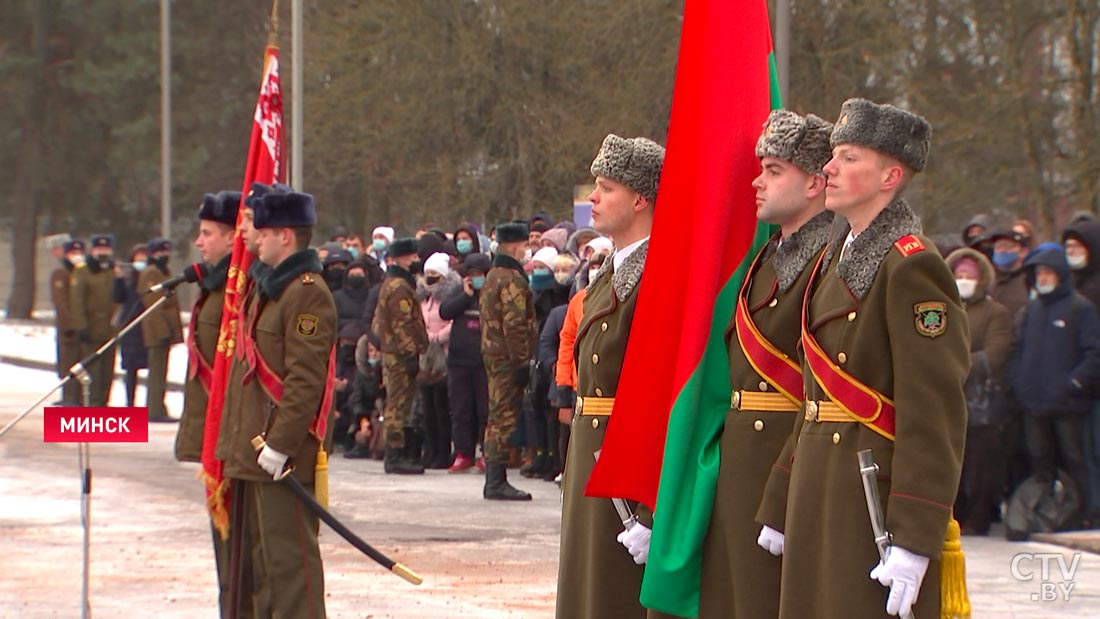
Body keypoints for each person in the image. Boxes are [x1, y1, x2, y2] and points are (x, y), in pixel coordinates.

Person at [755, 99, 970, 619]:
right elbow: (812, 397)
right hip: (819, 482)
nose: (829, 168)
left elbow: (933, 411)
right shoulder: (834, 256)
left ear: (889, 175)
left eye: (848, 158)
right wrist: (782, 494)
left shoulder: (912, 267)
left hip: (869, 491)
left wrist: (916, 535)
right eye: (833, 157)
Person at [695, 110, 834, 617]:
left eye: (775, 170)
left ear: (816, 182)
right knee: (733, 596)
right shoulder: (769, 255)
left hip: (786, 456)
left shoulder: (831, 262)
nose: (758, 180)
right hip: (740, 455)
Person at [557, 134, 672, 619]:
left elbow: (665, 397)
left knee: (612, 598)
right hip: (594, 454)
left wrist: (651, 508)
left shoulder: (658, 275)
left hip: (625, 465)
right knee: (587, 594)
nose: (593, 200)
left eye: (606, 188)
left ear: (641, 198)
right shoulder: (612, 272)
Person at [217, 188, 336, 619]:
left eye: (262, 231)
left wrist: (281, 444)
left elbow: (306, 379)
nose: (253, 239)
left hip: (281, 455)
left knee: (291, 569)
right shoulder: (269, 288)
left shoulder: (306, 292)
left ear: (286, 235)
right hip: (254, 450)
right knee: (263, 570)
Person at [172, 190, 251, 617]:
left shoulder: (233, 293)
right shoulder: (215, 287)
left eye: (207, 234)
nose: (199, 243)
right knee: (226, 550)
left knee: (238, 552)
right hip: (214, 432)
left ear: (229, 236)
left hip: (229, 435)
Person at [1009, 247, 1100, 529]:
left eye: (1047, 272)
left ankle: (1088, 511)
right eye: (1038, 273)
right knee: (1040, 462)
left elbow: (1093, 353)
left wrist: (1074, 383)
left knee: (1076, 460)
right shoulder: (1031, 310)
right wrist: (1019, 382)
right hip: (1034, 405)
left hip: (1068, 404)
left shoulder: (1080, 308)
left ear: (1060, 274)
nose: (1043, 277)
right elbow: (1019, 350)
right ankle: (1044, 513)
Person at [945, 249, 1012, 536]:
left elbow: (994, 355)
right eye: (959, 275)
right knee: (952, 463)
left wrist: (953, 364)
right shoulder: (943, 307)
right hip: (947, 399)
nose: (963, 280)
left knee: (981, 464)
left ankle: (980, 515)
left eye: (969, 276)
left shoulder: (996, 313)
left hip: (980, 402)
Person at [480, 221, 537, 501]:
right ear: (516, 245)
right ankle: (496, 480)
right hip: (507, 359)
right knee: (503, 417)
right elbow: (515, 325)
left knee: (495, 415)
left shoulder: (493, 275)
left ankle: (495, 477)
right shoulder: (512, 279)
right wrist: (522, 362)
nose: (527, 250)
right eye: (525, 245)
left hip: (493, 355)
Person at [371, 237, 430, 474]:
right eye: (413, 257)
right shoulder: (400, 287)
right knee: (398, 404)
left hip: (392, 352)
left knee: (399, 402)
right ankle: (394, 454)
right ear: (403, 258)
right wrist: (411, 351)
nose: (416, 261)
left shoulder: (392, 283)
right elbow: (402, 324)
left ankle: (399, 453)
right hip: (399, 355)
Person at [439, 253, 492, 472]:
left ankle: (486, 452)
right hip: (459, 360)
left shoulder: (492, 293)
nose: (476, 278)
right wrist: (465, 295)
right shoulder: (458, 292)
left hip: (484, 360)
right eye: (473, 275)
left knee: (484, 409)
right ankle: (463, 453)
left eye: (480, 275)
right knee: (461, 409)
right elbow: (445, 312)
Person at [418, 251, 459, 468]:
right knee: (428, 407)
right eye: (428, 274)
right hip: (426, 357)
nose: (430, 278)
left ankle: (444, 451)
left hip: (444, 354)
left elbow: (453, 323)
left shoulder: (450, 298)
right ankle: (431, 449)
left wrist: (437, 337)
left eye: (434, 274)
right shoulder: (423, 299)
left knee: (442, 407)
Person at [69, 234, 119, 407]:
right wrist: (80, 326)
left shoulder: (113, 271)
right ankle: (92, 407)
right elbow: (77, 301)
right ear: (93, 250)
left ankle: (103, 404)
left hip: (110, 330)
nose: (103, 252)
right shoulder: (83, 271)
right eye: (99, 249)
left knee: (107, 372)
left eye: (106, 249)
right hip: (91, 329)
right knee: (93, 373)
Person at [139, 237, 185, 422]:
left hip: (166, 328)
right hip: (157, 329)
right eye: (160, 252)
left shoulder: (164, 271)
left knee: (161, 370)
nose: (164, 256)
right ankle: (154, 409)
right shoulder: (151, 272)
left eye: (166, 252)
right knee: (157, 371)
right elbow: (153, 305)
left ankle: (158, 406)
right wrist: (163, 331)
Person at [113, 244, 150, 408]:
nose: (140, 261)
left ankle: (152, 403)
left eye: (143, 258)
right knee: (130, 369)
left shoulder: (151, 276)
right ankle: (130, 403)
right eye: (137, 258)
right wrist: (119, 279)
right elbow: (117, 297)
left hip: (147, 326)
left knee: (151, 366)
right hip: (130, 326)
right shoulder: (128, 278)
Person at [49, 235, 82, 405]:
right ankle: (69, 397)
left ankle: (79, 397)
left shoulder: (83, 272)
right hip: (67, 329)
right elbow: (61, 302)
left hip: (83, 327)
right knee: (67, 362)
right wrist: (70, 324)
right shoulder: (61, 273)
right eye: (72, 252)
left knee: (81, 362)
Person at [333, 259, 371, 331]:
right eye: (352, 275)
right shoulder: (337, 296)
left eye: (359, 275)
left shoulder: (372, 294)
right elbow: (335, 320)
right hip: (344, 334)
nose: (355, 277)